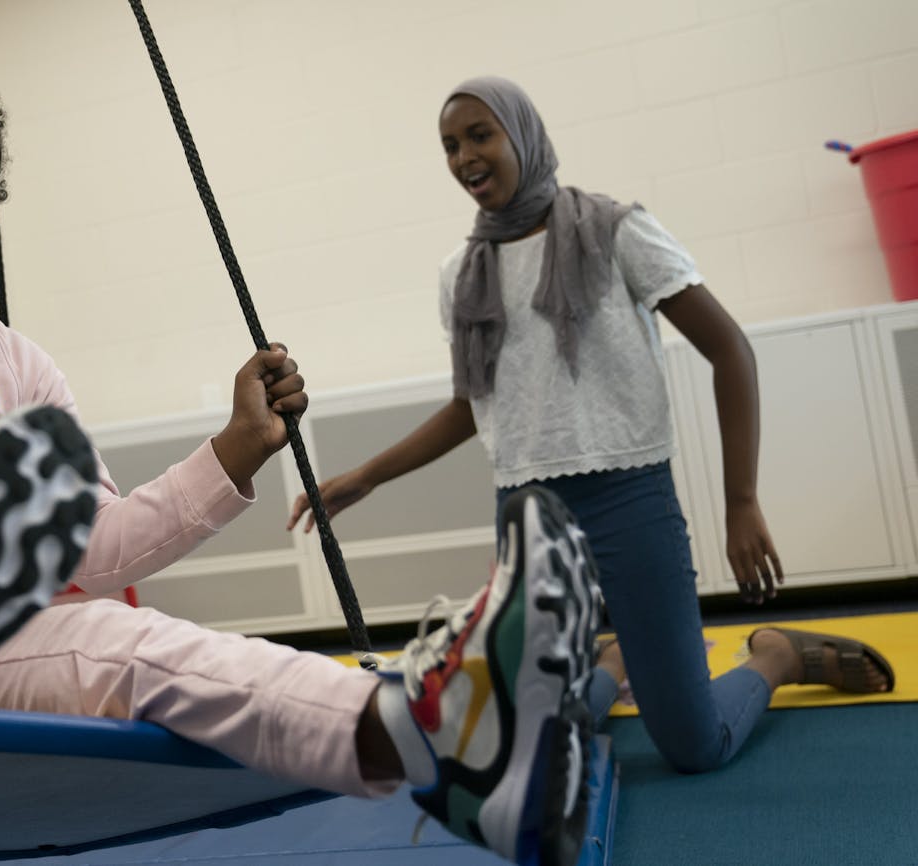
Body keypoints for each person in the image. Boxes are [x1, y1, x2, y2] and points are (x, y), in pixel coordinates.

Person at [0, 65, 601, 864]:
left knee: (132, 641)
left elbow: (91, 554)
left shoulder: (19, 366)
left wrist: (234, 450)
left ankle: (438, 744)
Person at [289, 75, 895, 778]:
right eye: (449, 146)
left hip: (629, 496)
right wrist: (367, 476)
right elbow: (474, 405)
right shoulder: (461, 273)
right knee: (534, 754)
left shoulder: (615, 229)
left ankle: (776, 656)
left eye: (480, 135)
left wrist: (741, 502)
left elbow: (730, 348)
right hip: (526, 516)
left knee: (695, 747)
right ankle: (615, 658)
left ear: (523, 133)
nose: (464, 158)